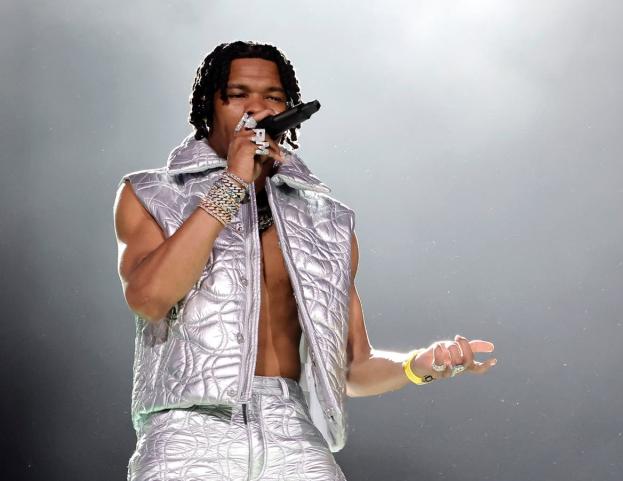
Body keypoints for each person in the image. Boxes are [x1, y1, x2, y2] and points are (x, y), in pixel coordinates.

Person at [113, 40, 498, 481]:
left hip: (292, 433)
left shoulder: (326, 218)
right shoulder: (151, 193)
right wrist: (234, 180)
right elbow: (149, 298)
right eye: (238, 94)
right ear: (208, 106)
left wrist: (419, 365)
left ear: (290, 111)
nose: (256, 108)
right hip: (188, 432)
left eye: (272, 97)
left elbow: (353, 367)